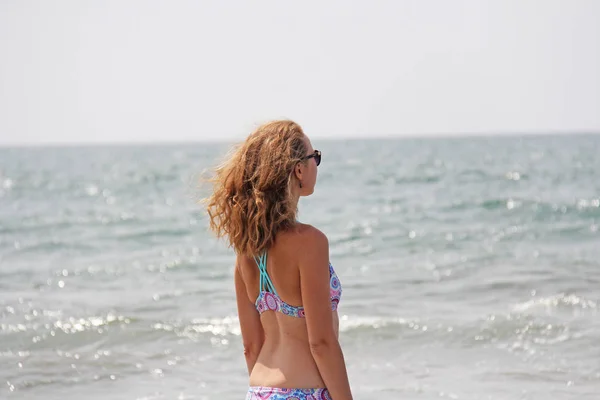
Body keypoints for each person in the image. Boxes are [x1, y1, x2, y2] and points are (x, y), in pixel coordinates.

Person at [205, 120, 353, 400]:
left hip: (259, 389)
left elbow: (251, 345)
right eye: (315, 157)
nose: (316, 165)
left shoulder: (246, 250)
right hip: (304, 392)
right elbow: (321, 343)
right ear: (299, 169)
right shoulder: (310, 242)